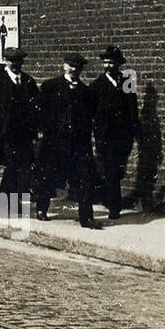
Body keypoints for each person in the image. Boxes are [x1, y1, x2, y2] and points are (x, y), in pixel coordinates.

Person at [36, 53, 99, 228]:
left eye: (78, 67)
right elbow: (41, 113)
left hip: (78, 144)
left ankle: (86, 217)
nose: (74, 70)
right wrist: (43, 133)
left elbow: (89, 118)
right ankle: (42, 208)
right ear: (64, 66)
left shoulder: (86, 92)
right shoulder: (50, 86)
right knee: (48, 176)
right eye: (71, 66)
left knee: (84, 178)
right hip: (55, 142)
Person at [92, 45, 140, 220]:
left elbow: (132, 108)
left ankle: (110, 200)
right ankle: (114, 206)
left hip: (123, 136)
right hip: (105, 137)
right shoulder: (97, 85)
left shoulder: (127, 81)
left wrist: (133, 131)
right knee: (110, 171)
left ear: (118, 64)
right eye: (105, 62)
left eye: (111, 62)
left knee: (118, 170)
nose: (108, 66)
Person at [0, 48, 40, 199]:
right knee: (12, 164)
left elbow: (35, 106)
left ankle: (15, 199)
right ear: (5, 61)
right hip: (6, 131)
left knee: (24, 164)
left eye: (19, 61)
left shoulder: (27, 81)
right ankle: (5, 198)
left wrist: (36, 129)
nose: (16, 64)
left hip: (24, 131)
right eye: (12, 61)